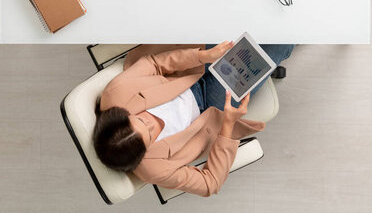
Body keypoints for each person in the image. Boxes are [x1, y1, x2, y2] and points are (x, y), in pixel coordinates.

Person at [92, 42, 294, 197]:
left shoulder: (116, 94)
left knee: (243, 23)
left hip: (185, 68)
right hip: (208, 105)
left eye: (142, 120)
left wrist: (201, 56)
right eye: (151, 133)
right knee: (277, 46)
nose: (153, 123)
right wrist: (228, 126)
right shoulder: (153, 169)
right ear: (144, 153)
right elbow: (210, 184)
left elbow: (154, 64)